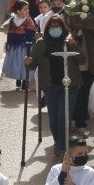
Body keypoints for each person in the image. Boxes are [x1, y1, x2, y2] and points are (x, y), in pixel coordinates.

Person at [26, 14, 84, 156]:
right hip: (50, 85)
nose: (55, 29)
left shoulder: (68, 41)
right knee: (53, 118)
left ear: (63, 28)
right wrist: (28, 62)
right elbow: (33, 64)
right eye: (52, 26)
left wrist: (72, 44)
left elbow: (82, 59)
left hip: (69, 86)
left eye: (58, 26)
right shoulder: (41, 43)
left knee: (63, 116)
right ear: (48, 28)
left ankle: (63, 147)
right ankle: (58, 142)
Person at [3, 0, 36, 89]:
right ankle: (18, 78)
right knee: (17, 63)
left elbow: (32, 32)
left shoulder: (28, 20)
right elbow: (10, 33)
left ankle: (25, 80)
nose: (27, 11)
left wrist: (29, 41)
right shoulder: (12, 21)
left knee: (25, 63)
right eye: (25, 9)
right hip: (15, 46)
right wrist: (8, 44)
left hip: (26, 46)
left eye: (27, 9)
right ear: (18, 11)